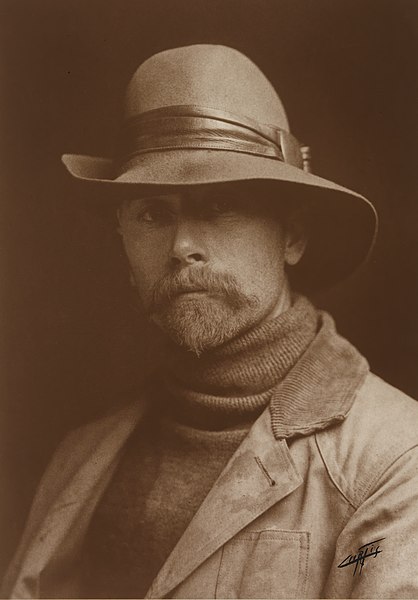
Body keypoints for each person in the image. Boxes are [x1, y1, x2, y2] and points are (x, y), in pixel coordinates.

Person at [2, 44, 418, 599]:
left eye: (219, 207)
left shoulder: (393, 460)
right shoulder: (82, 456)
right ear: (124, 248)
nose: (182, 247)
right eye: (154, 215)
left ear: (291, 236)